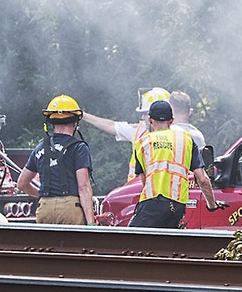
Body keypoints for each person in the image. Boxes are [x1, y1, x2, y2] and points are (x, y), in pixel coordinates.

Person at [130, 98, 221, 228]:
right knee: (168, 246)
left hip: (151, 203)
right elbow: (202, 179)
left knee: (131, 242)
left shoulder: (142, 143)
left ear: (150, 120)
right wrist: (212, 204)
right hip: (177, 206)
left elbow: (144, 180)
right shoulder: (186, 140)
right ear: (171, 121)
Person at [16, 94, 96, 225]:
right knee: (72, 246)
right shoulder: (79, 148)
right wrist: (91, 223)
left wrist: (43, 196)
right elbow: (83, 187)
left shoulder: (40, 148)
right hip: (70, 209)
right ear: (75, 123)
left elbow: (21, 184)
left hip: (44, 209)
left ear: (51, 123)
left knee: (48, 246)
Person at [83, 87, 206, 154]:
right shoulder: (142, 131)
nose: (143, 118)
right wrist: (82, 115)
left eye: (146, 113)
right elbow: (111, 126)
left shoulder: (183, 136)